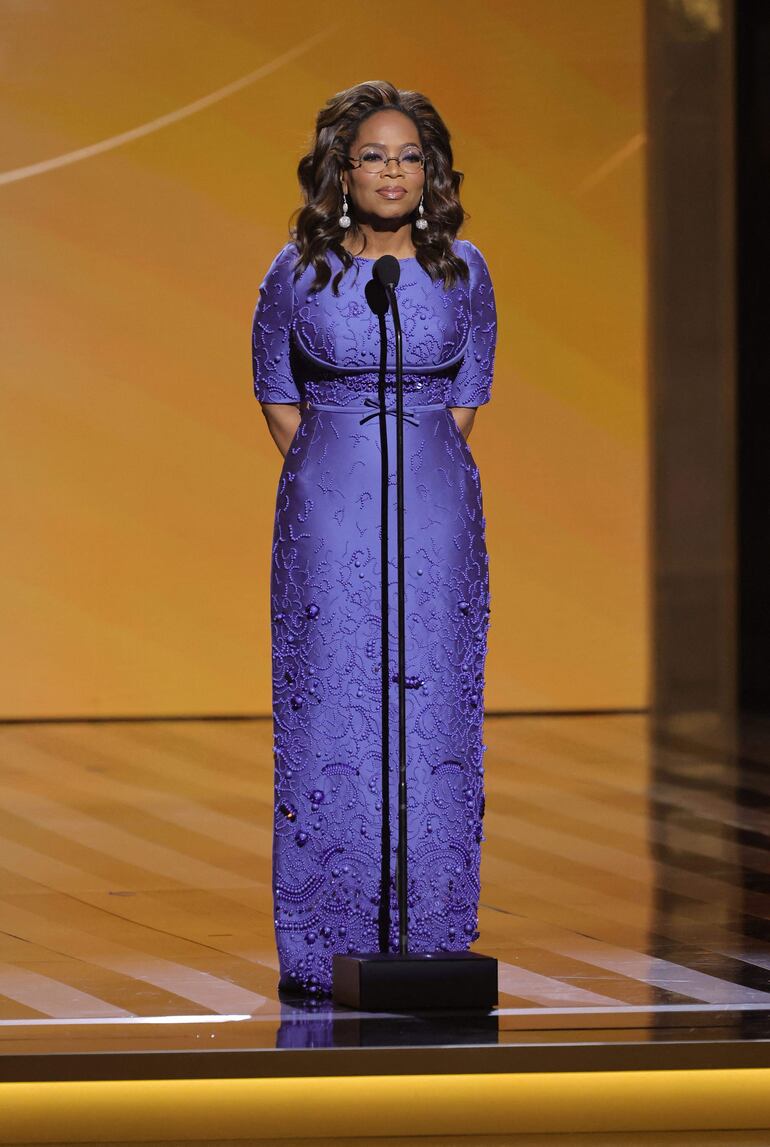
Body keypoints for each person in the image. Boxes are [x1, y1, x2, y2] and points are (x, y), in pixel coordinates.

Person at [251, 80, 497, 997]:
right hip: (329, 502)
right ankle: (325, 946)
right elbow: (277, 391)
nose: (392, 172)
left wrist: (407, 456)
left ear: (429, 171)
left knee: (432, 709)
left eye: (408, 156)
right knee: (332, 705)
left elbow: (466, 400)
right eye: (373, 157)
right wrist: (344, 460)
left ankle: (430, 938)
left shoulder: (464, 268)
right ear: (341, 174)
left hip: (435, 506)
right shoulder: (297, 271)